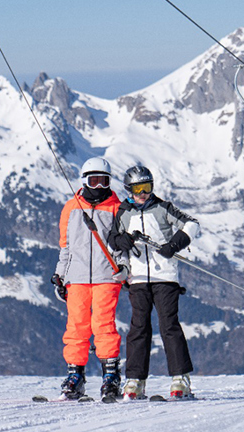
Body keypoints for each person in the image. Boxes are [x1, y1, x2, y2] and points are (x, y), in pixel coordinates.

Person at [109, 165, 199, 400]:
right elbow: (112, 239)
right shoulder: (124, 212)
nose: (143, 193)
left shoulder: (162, 208)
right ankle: (135, 380)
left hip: (165, 278)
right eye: (138, 188)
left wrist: (174, 245)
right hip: (137, 279)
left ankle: (181, 378)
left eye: (147, 187)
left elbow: (192, 224)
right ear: (128, 190)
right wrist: (121, 241)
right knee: (139, 328)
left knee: (169, 325)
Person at [50, 157, 127, 401]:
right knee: (76, 326)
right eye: (94, 181)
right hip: (77, 277)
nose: (99, 187)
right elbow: (66, 247)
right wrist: (61, 275)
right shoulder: (71, 208)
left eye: (104, 182)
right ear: (84, 181)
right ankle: (75, 376)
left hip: (107, 276)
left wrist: (123, 267)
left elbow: (123, 245)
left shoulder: (118, 208)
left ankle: (111, 376)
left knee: (104, 325)